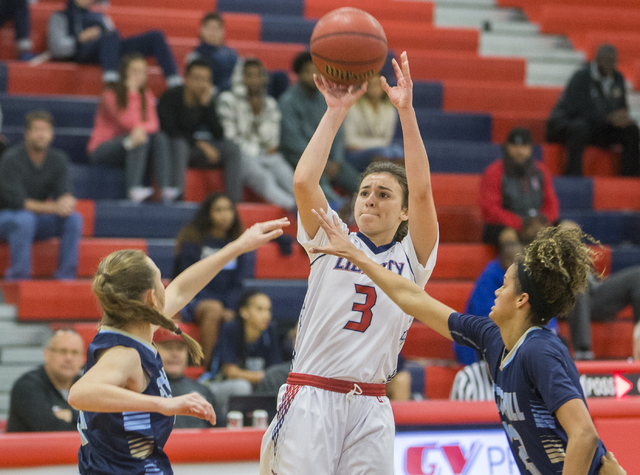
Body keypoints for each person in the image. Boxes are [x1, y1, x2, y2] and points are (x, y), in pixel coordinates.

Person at [311, 210, 627, 475]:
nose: (496, 291)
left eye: (504, 285)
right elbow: (414, 299)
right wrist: (356, 256)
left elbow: (584, 435)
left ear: (521, 300)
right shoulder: (493, 338)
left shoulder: (539, 350)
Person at [260, 52, 439, 475]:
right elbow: (304, 181)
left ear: (404, 212)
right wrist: (336, 112)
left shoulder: (412, 258)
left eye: (384, 194)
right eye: (365, 192)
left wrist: (406, 113)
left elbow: (425, 191)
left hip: (372, 402)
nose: (371, 199)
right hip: (312, 396)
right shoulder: (331, 236)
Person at [67, 216, 289, 474]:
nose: (166, 286)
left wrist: (239, 245)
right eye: (160, 279)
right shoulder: (124, 355)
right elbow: (79, 394)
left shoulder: (137, 329)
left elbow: (183, 289)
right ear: (151, 297)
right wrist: (164, 404)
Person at [173, 192, 254, 368]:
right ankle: (202, 366)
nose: (224, 215)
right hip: (193, 299)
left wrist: (230, 308)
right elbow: (187, 279)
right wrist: (219, 306)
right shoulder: (193, 239)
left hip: (225, 303)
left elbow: (238, 283)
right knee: (213, 309)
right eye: (218, 210)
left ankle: (233, 367)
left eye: (228, 209)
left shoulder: (237, 242)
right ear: (208, 213)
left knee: (255, 310)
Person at [0, 110, 83, 280]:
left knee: (74, 219)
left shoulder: (58, 159)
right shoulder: (11, 159)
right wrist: (54, 207)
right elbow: (18, 202)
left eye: (45, 130)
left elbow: (65, 190)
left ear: (52, 134)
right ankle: (19, 277)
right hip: (7, 217)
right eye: (36, 130)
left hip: (35, 219)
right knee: (24, 219)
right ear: (27, 133)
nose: (41, 135)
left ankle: (66, 276)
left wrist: (67, 201)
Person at [278, 52, 361, 209]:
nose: (313, 76)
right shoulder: (287, 101)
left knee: (353, 176)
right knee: (314, 174)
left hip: (329, 158)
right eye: (308, 72)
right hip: (299, 157)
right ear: (298, 74)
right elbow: (291, 140)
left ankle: (367, 205)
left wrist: (336, 160)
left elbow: (337, 131)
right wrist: (319, 160)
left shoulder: (326, 99)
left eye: (317, 72)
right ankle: (337, 205)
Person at [88, 54, 174, 203]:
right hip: (104, 149)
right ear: (125, 73)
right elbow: (125, 122)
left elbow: (154, 124)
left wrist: (140, 128)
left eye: (142, 71)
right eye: (135, 71)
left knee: (158, 137)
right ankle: (133, 188)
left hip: (130, 147)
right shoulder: (110, 94)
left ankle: (165, 188)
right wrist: (132, 94)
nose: (140, 76)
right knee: (138, 138)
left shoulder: (146, 94)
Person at [157, 60, 243, 203]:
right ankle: (177, 198)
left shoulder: (205, 100)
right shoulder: (170, 96)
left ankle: (234, 202)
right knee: (180, 144)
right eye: (197, 78)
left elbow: (219, 134)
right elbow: (169, 130)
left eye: (206, 79)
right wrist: (200, 144)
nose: (202, 83)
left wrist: (207, 106)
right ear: (186, 78)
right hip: (171, 150)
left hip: (194, 150)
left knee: (232, 149)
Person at [546, 44, 640, 176]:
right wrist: (607, 117)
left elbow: (621, 106)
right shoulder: (581, 77)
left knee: (631, 130)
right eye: (606, 60)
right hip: (572, 124)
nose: (610, 64)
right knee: (580, 128)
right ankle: (573, 175)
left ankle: (629, 177)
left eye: (613, 61)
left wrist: (622, 116)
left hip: (600, 127)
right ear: (596, 60)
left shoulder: (618, 78)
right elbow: (576, 109)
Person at [217, 58, 296, 212]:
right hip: (242, 155)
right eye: (249, 75)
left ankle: (315, 208)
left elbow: (272, 140)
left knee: (288, 176)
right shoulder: (227, 100)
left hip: (267, 155)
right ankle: (293, 207)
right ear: (240, 77)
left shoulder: (270, 103)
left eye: (258, 75)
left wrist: (258, 112)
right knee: (263, 177)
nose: (254, 80)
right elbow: (230, 137)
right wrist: (249, 109)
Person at [47, 0, 181, 86]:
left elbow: (113, 38)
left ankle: (174, 80)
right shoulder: (60, 16)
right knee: (109, 35)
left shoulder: (100, 16)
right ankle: (111, 80)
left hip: (108, 50)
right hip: (82, 52)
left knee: (156, 36)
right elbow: (56, 48)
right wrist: (79, 39)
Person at [559, 221, 640, 361]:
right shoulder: (550, 258)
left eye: (576, 236)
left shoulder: (581, 255)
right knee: (578, 286)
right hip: (568, 302)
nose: (574, 240)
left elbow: (595, 282)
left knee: (637, 276)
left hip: (594, 298)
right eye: (568, 236)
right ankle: (583, 351)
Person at [202, 290, 282, 422]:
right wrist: (264, 377)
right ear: (244, 312)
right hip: (216, 384)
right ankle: (223, 426)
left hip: (253, 386)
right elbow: (231, 373)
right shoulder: (231, 329)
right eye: (260, 309)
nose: (267, 315)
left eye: (268, 310)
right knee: (242, 386)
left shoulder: (270, 332)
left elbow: (275, 369)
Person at [480, 126, 559, 247]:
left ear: (530, 149)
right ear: (507, 147)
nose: (519, 151)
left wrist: (543, 221)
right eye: (515, 146)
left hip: (538, 222)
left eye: (524, 146)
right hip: (505, 225)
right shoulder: (494, 171)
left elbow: (551, 202)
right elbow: (490, 209)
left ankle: (579, 266)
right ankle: (518, 266)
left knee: (570, 229)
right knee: (509, 239)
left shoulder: (541, 170)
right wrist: (520, 223)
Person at [7, 329, 85, 432]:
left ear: (83, 359)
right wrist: (81, 418)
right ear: (46, 354)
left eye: (74, 352)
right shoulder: (27, 386)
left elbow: (103, 427)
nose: (69, 358)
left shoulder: (87, 387)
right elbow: (50, 429)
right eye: (62, 351)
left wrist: (71, 414)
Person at [154, 328, 219, 428]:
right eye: (168, 348)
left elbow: (219, 432)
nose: (174, 354)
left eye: (180, 348)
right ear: (154, 350)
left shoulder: (203, 391)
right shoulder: (143, 390)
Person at [343, 75, 403, 173]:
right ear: (364, 86)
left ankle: (400, 183)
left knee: (398, 151)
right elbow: (350, 142)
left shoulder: (389, 109)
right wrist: (377, 145)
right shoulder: (353, 107)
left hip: (380, 149)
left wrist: (377, 145)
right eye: (371, 84)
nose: (375, 88)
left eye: (378, 85)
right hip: (355, 154)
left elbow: (387, 140)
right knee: (383, 152)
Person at [185, 12, 238, 94]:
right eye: (209, 28)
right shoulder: (194, 56)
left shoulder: (233, 55)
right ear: (201, 30)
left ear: (223, 31)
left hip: (230, 93)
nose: (213, 32)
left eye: (217, 28)